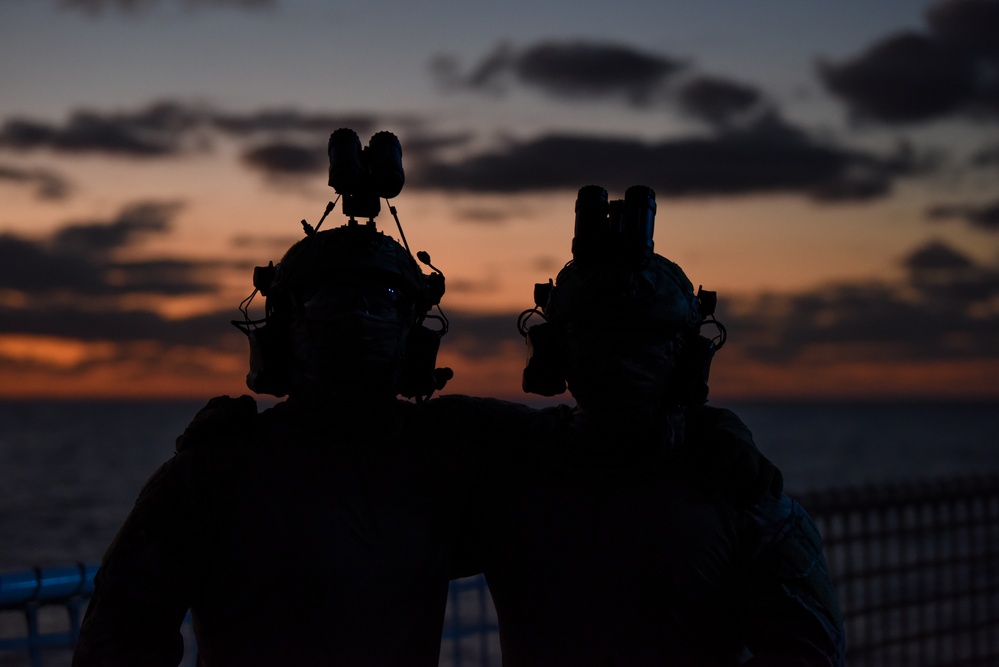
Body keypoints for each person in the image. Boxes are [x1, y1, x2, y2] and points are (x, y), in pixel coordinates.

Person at [72, 129, 531, 667]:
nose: (357, 319)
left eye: (380, 303)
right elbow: (120, 642)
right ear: (285, 330)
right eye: (330, 301)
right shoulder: (213, 474)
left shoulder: (450, 453)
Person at [474, 184, 845, 666]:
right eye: (597, 337)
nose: (618, 361)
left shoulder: (736, 488)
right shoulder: (510, 461)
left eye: (640, 341)